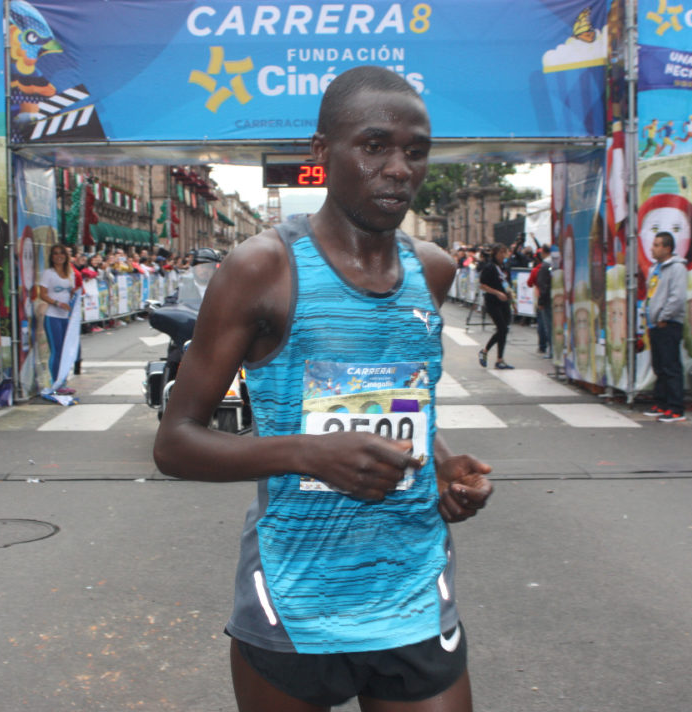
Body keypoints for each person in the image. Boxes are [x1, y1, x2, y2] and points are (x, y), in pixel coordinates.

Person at [153, 66, 493, 712]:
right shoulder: (263, 269)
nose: (399, 169)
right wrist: (307, 454)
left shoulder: (434, 271)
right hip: (294, 602)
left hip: (412, 591)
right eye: (374, 146)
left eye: (415, 152)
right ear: (320, 154)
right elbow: (175, 442)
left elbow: (402, 403)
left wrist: (445, 463)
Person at [644, 231, 688, 422]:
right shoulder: (655, 268)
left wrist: (664, 317)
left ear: (667, 248)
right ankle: (661, 403)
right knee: (659, 366)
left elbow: (677, 297)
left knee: (671, 366)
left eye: (656, 245)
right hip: (655, 324)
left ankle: (676, 407)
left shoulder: (677, 269)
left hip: (668, 324)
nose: (652, 248)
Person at [38, 244, 80, 395]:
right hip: (52, 316)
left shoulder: (70, 273)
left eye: (61, 253)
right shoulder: (48, 273)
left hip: (65, 318)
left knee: (65, 351)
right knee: (56, 350)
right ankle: (56, 383)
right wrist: (56, 303)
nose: (58, 256)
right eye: (55, 254)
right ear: (51, 257)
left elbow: (71, 292)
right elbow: (42, 294)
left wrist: (73, 299)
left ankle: (62, 381)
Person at [477, 243, 515, 369]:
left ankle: (499, 359)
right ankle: (485, 351)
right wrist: (497, 293)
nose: (503, 256)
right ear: (495, 254)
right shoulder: (489, 267)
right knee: (502, 328)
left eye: (505, 253)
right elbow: (482, 285)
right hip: (493, 302)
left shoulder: (504, 267)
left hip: (504, 301)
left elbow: (506, 284)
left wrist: (512, 300)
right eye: (501, 253)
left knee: (503, 330)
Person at [527, 245, 553, 357]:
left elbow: (543, 286)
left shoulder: (544, 266)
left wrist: (541, 301)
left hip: (546, 300)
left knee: (547, 325)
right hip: (554, 298)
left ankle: (549, 349)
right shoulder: (554, 264)